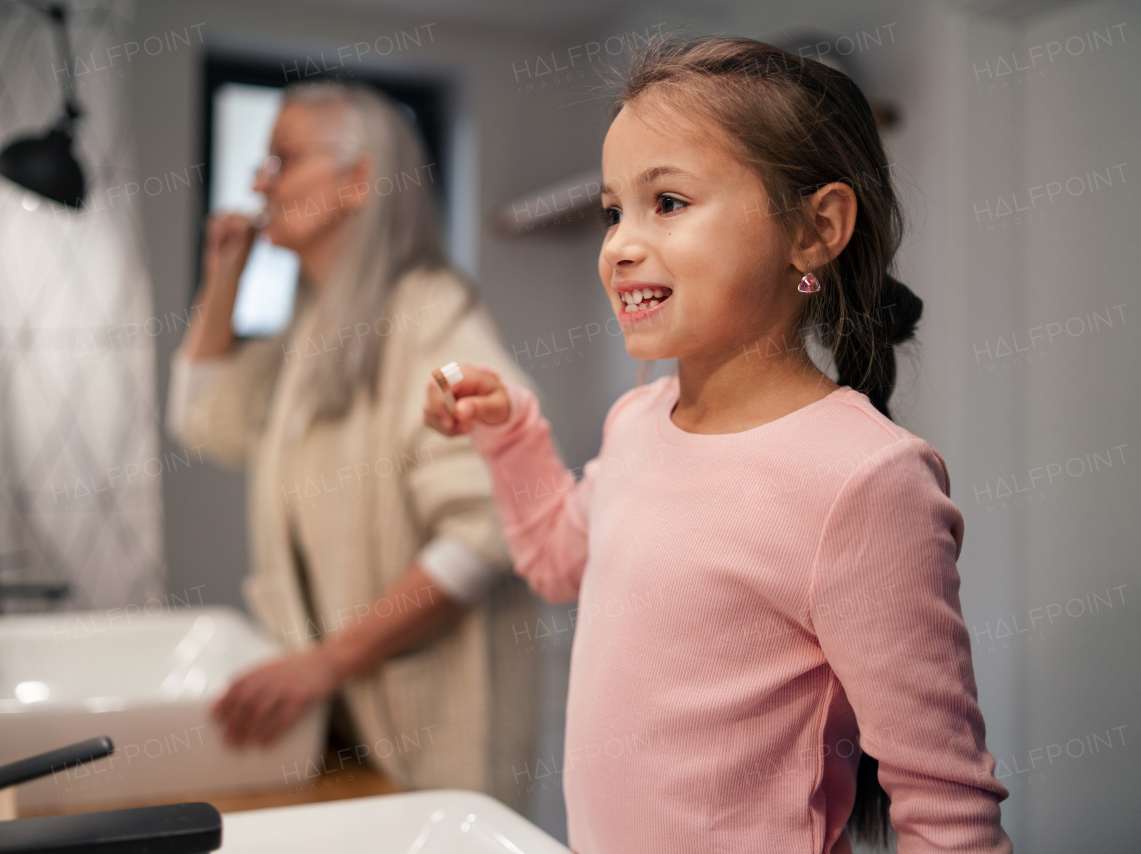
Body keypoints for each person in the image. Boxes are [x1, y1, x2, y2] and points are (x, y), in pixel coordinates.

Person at [424, 35, 1011, 854]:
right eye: (612, 211)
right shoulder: (637, 422)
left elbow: (948, 813)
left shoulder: (866, 480)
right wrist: (510, 431)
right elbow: (558, 560)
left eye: (668, 202)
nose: (621, 244)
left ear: (816, 230)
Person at [166, 80, 540, 810]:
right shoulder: (310, 329)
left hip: (422, 730)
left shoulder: (431, 314)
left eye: (282, 159)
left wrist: (324, 664)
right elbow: (201, 422)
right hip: (343, 723)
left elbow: (488, 525)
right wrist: (222, 279)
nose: (256, 181)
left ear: (359, 179)